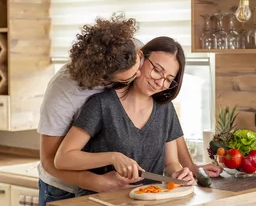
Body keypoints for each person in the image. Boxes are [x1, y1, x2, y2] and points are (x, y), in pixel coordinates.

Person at [37, 15, 221, 206]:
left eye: (168, 78)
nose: (155, 79)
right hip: (66, 189)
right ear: (108, 80)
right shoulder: (70, 93)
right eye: (153, 71)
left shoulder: (131, 52)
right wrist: (102, 180)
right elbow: (53, 160)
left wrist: (187, 169)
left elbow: (171, 151)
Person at [53, 37, 199, 195]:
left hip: (147, 205)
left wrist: (178, 174)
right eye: (157, 70)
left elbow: (171, 163)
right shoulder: (102, 104)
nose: (160, 82)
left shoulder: (165, 109)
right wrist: (112, 157)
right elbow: (63, 158)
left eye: (169, 80)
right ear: (140, 59)